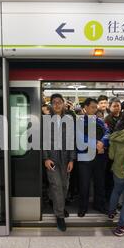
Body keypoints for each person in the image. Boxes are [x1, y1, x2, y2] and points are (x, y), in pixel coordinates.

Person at [42, 93, 76, 231]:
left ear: (63, 104)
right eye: (54, 102)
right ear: (51, 104)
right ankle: (60, 216)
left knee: (64, 186)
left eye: (59, 102)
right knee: (56, 186)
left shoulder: (69, 120)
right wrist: (45, 158)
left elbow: (72, 140)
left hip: (66, 158)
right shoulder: (46, 120)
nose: (56, 104)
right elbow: (42, 140)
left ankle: (58, 205)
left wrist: (72, 160)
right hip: (52, 158)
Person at [77, 98, 109, 216]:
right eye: (92, 107)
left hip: (99, 158)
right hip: (84, 158)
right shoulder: (80, 121)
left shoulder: (99, 121)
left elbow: (108, 132)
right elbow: (80, 138)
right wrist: (96, 143)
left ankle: (99, 205)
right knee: (84, 184)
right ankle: (82, 207)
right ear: (85, 107)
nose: (95, 110)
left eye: (96, 107)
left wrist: (102, 143)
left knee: (100, 183)